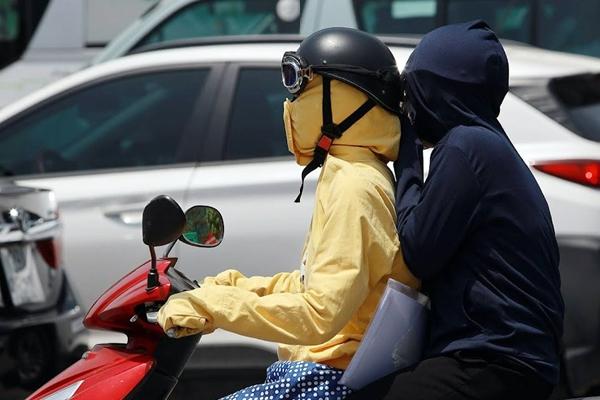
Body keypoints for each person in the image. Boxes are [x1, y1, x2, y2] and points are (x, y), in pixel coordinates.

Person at [157, 27, 419, 400]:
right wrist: (233, 286)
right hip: (320, 372)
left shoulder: (355, 186)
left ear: (340, 99)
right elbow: (315, 284)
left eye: (300, 85)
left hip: (330, 379)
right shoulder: (351, 171)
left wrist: (213, 306)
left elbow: (320, 312)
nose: (291, 103)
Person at [348, 20, 564, 400]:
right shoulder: (491, 147)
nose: (408, 106)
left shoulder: (466, 147)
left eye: (413, 91)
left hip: (493, 359)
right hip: (515, 357)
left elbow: (418, 250)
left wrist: (408, 159)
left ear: (436, 91)